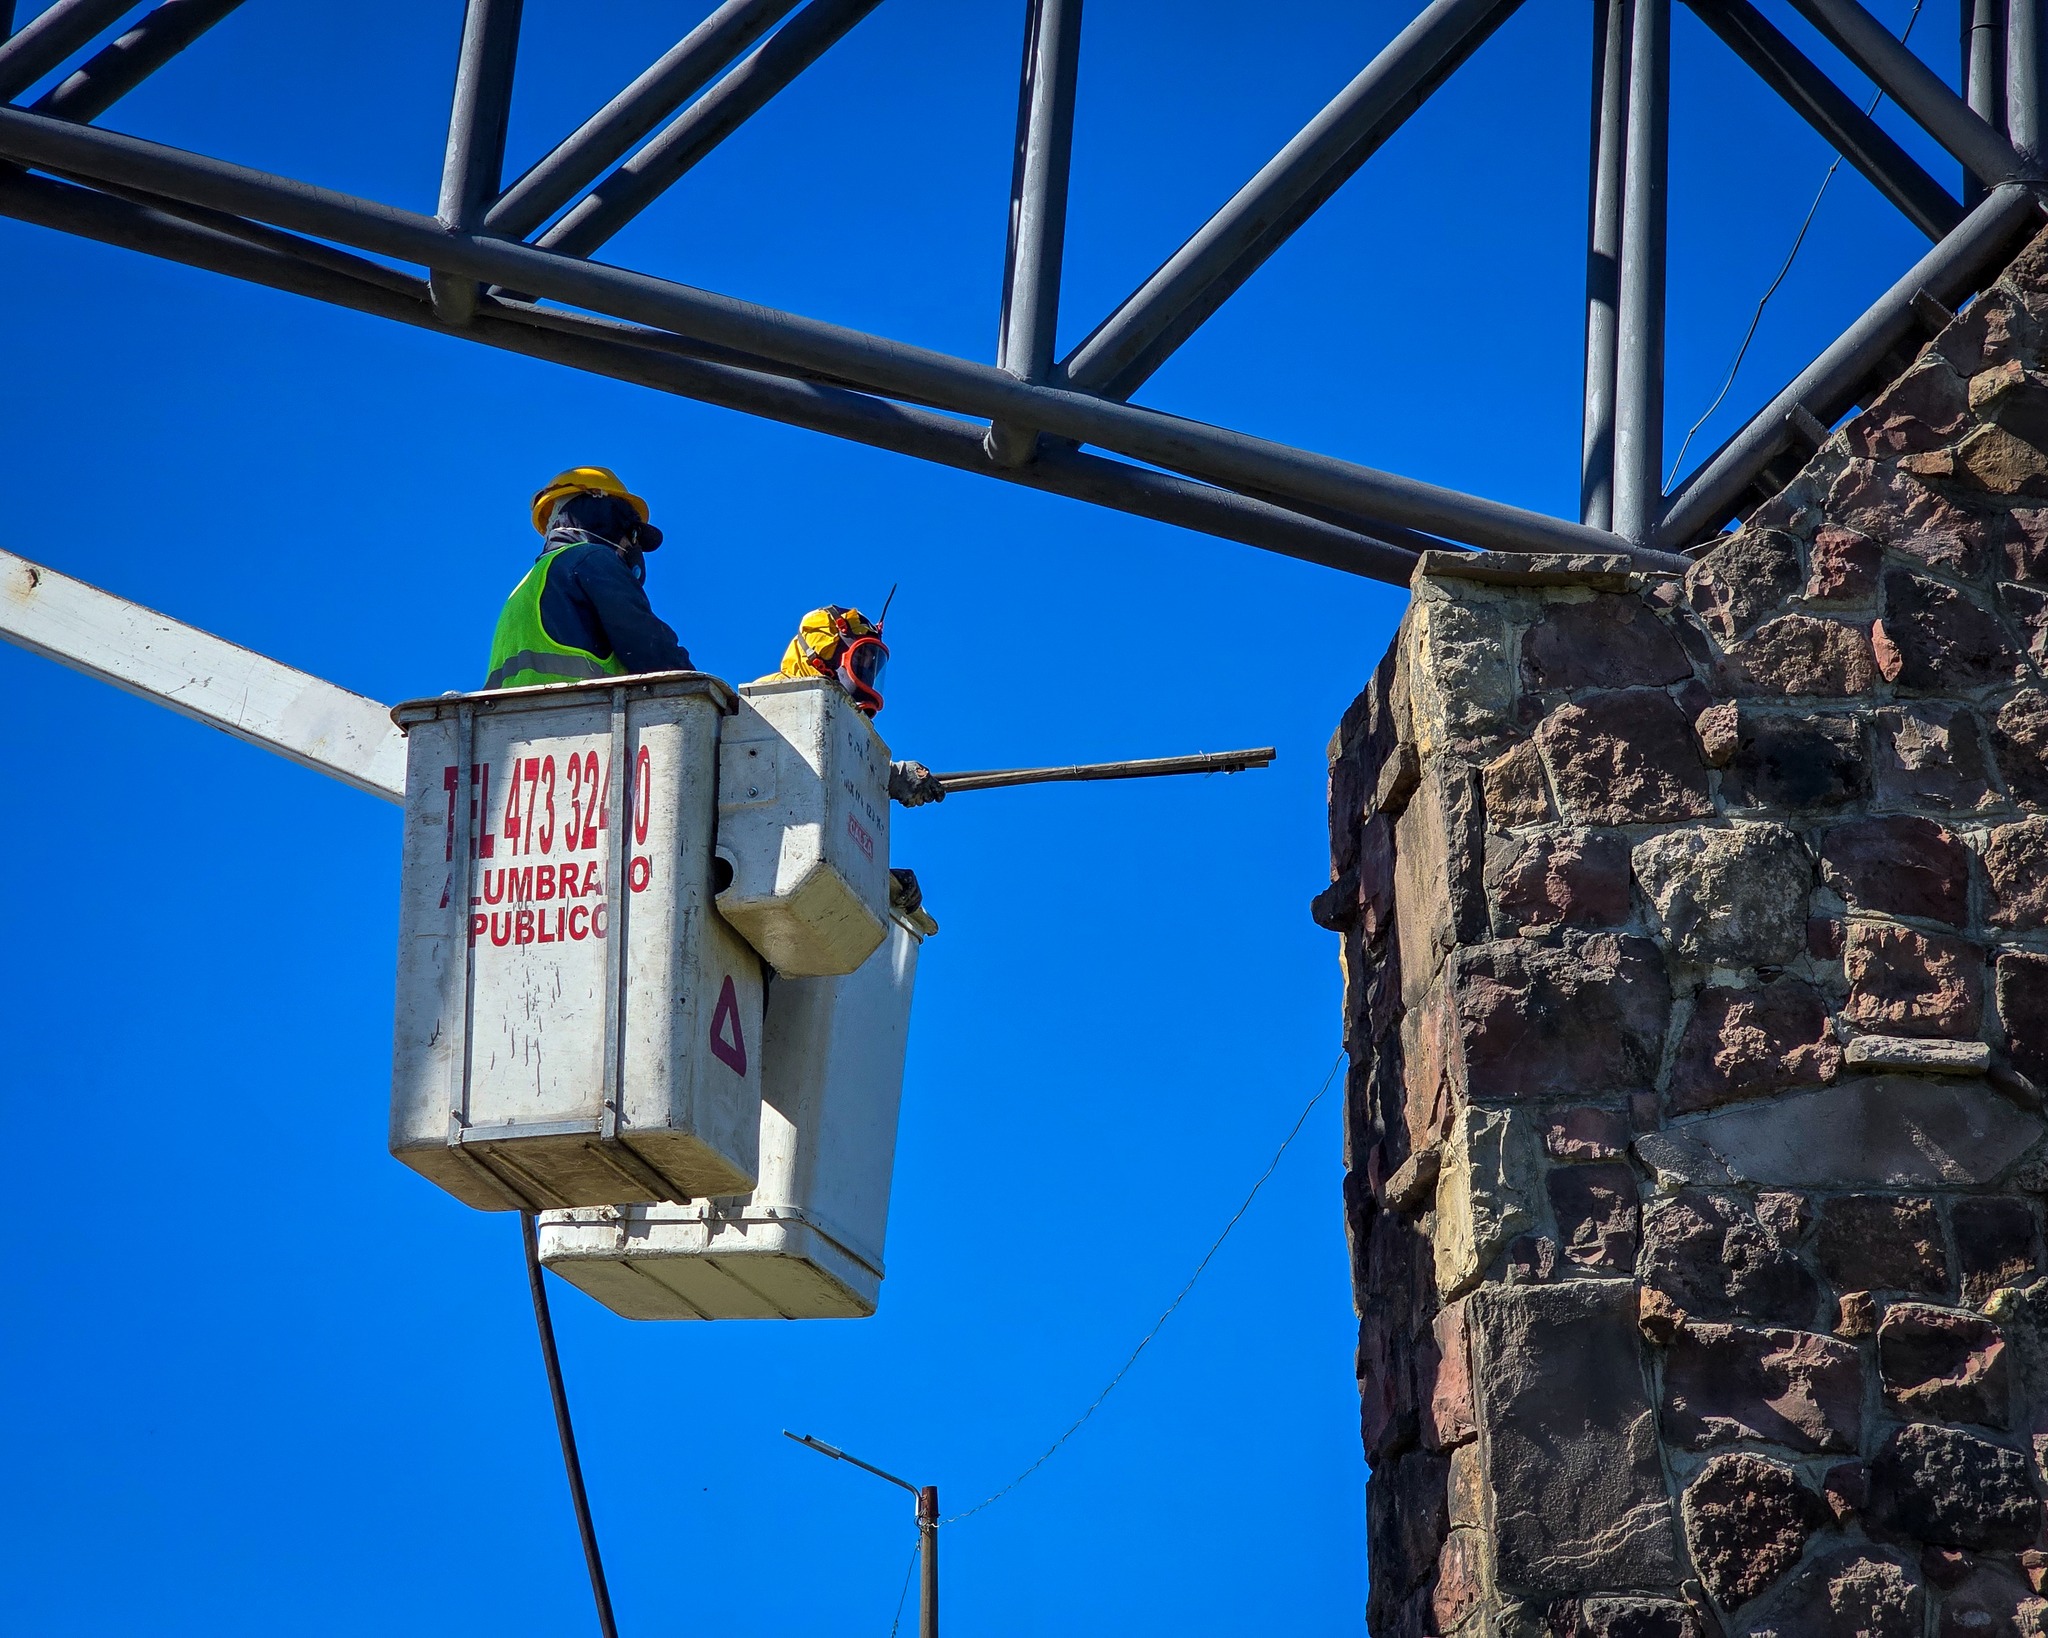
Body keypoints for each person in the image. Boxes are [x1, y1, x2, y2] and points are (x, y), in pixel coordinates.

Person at [485, 466, 691, 690]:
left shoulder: (530, 584)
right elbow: (652, 649)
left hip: (520, 720)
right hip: (580, 717)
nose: (633, 549)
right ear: (607, 518)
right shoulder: (591, 559)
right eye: (632, 535)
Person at [763, 605, 946, 808]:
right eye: (859, 659)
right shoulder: (773, 697)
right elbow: (802, 760)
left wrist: (892, 776)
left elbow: (838, 766)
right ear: (822, 655)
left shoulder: (841, 722)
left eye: (871, 664)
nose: (866, 671)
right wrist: (890, 775)